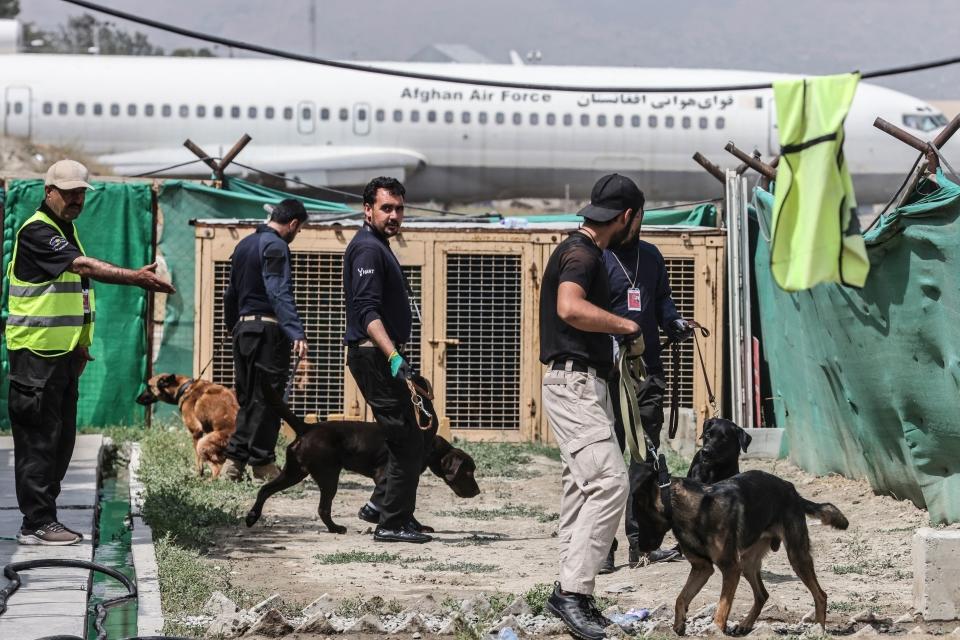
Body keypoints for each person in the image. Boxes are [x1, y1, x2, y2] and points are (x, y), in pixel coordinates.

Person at [6, 159, 175, 545]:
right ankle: (36, 522)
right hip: (36, 356)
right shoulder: (37, 232)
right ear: (48, 192)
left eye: (81, 193)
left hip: (62, 356)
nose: (75, 199)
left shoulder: (65, 230)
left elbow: (73, 293)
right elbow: (81, 267)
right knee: (38, 441)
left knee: (61, 441)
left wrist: (80, 345)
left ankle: (44, 516)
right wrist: (133, 277)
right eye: (68, 193)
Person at [539, 174, 643, 640]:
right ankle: (572, 595)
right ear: (626, 217)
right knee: (610, 481)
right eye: (637, 219)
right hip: (574, 383)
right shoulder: (582, 253)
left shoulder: (582, 250)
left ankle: (572, 593)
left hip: (582, 382)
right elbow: (569, 307)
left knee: (581, 490)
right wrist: (625, 326)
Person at [600, 201, 695, 571]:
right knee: (606, 460)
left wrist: (673, 322)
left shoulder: (652, 257)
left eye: (632, 216)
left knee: (644, 461)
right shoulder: (599, 257)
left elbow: (662, 302)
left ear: (638, 217)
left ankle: (640, 545)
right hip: (607, 374)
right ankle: (602, 548)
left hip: (646, 374)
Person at [343, 176, 430, 544]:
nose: (394, 215)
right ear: (368, 210)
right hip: (374, 354)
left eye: (399, 208)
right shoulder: (366, 249)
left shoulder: (379, 245)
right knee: (404, 436)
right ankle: (390, 521)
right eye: (386, 208)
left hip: (383, 354)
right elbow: (366, 310)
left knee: (421, 426)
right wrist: (393, 355)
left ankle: (389, 508)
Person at [221, 199, 309, 482]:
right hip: (268, 333)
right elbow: (278, 291)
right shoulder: (276, 246)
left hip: (244, 332)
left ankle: (262, 463)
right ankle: (234, 462)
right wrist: (296, 331)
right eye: (299, 229)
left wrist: (233, 326)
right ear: (293, 224)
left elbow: (229, 294)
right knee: (265, 398)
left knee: (252, 399)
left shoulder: (244, 245)